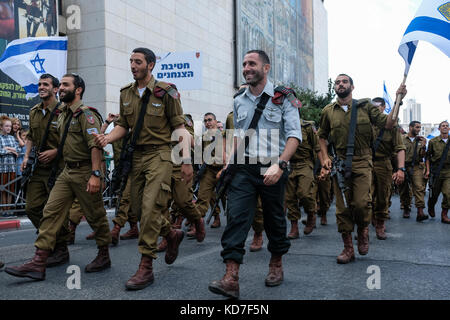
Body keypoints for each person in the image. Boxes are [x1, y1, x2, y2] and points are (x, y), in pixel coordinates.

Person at [93, 47, 192, 291]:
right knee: (136, 209)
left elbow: (180, 127)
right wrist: (107, 138)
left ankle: (145, 265)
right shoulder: (125, 93)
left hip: (160, 154)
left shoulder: (166, 91)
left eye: (138, 62)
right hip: (135, 156)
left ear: (150, 65)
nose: (133, 65)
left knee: (150, 208)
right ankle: (171, 234)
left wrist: (187, 161)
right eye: (131, 61)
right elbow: (124, 125)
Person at [208, 50, 302, 299]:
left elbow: (294, 136)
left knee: (274, 221)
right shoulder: (239, 99)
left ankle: (276, 263)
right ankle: (231, 276)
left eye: (252, 64)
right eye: (244, 64)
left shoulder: (284, 97)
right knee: (237, 218)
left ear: (266, 68)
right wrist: (229, 163)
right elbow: (239, 135)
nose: (247, 68)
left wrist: (280, 165)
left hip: (273, 167)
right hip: (244, 168)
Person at [5, 73, 112, 281]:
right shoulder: (63, 114)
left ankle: (104, 253)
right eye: (60, 85)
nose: (61, 88)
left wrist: (96, 174)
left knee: (95, 215)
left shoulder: (86, 115)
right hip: (66, 172)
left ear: (78, 89)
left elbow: (95, 146)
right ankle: (39, 261)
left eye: (65, 85)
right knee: (50, 212)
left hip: (84, 172)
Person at [318, 74, 406, 264]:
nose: (340, 84)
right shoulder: (328, 111)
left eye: (345, 82)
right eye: (337, 82)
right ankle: (348, 248)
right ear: (335, 87)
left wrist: (399, 100)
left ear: (352, 86)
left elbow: (389, 123)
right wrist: (325, 157)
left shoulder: (365, 106)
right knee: (342, 209)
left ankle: (363, 230)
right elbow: (321, 136)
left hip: (362, 160)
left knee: (361, 203)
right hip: (339, 162)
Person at [19, 74, 70, 266]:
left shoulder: (64, 111)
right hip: (38, 169)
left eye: (46, 84)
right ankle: (51, 239)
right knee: (32, 208)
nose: (41, 87)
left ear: (55, 89)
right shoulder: (34, 111)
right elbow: (31, 136)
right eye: (40, 84)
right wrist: (26, 156)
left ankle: (60, 248)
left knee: (54, 211)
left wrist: (55, 152)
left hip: (58, 168)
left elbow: (71, 139)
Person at [370, 97, 406, 240]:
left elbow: (400, 148)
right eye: (371, 106)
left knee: (383, 196)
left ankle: (380, 224)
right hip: (365, 163)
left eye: (377, 106)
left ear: (384, 107)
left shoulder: (391, 125)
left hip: (383, 164)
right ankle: (364, 227)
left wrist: (400, 169)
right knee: (364, 197)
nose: (374, 108)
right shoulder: (364, 123)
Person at [285, 119, 321, 238]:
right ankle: (294, 227)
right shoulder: (280, 125)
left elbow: (317, 147)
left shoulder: (307, 127)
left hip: (305, 163)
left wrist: (322, 166)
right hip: (288, 164)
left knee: (304, 193)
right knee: (290, 198)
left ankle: (311, 214)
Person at [190, 112, 223, 231]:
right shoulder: (203, 137)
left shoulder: (223, 135)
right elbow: (198, 154)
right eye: (206, 121)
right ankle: (197, 225)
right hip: (209, 170)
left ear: (215, 121)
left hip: (223, 170)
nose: (208, 123)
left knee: (227, 197)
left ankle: (233, 223)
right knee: (203, 197)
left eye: (210, 120)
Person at [399, 121, 429, 221]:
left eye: (420, 127)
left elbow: (422, 156)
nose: (418, 129)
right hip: (403, 166)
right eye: (417, 127)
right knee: (404, 189)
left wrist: (424, 145)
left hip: (416, 166)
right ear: (410, 127)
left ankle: (420, 212)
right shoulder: (401, 139)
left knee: (419, 188)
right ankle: (406, 208)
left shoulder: (420, 140)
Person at [426, 120, 450, 224]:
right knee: (434, 195)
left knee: (448, 194)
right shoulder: (433, 142)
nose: (445, 127)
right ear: (439, 129)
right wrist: (427, 170)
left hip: (448, 171)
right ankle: (431, 206)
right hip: (436, 172)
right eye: (443, 126)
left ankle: (444, 214)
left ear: (449, 129)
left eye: (447, 126)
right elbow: (427, 157)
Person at [0, 116, 19, 214]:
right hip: (2, 168)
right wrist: (11, 150)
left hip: (12, 167)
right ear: (1, 127)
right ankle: (4, 210)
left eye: (10, 126)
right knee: (3, 189)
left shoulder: (12, 138)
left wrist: (8, 148)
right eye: (6, 126)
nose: (9, 128)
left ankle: (9, 209)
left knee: (11, 188)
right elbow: (0, 151)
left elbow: (18, 150)